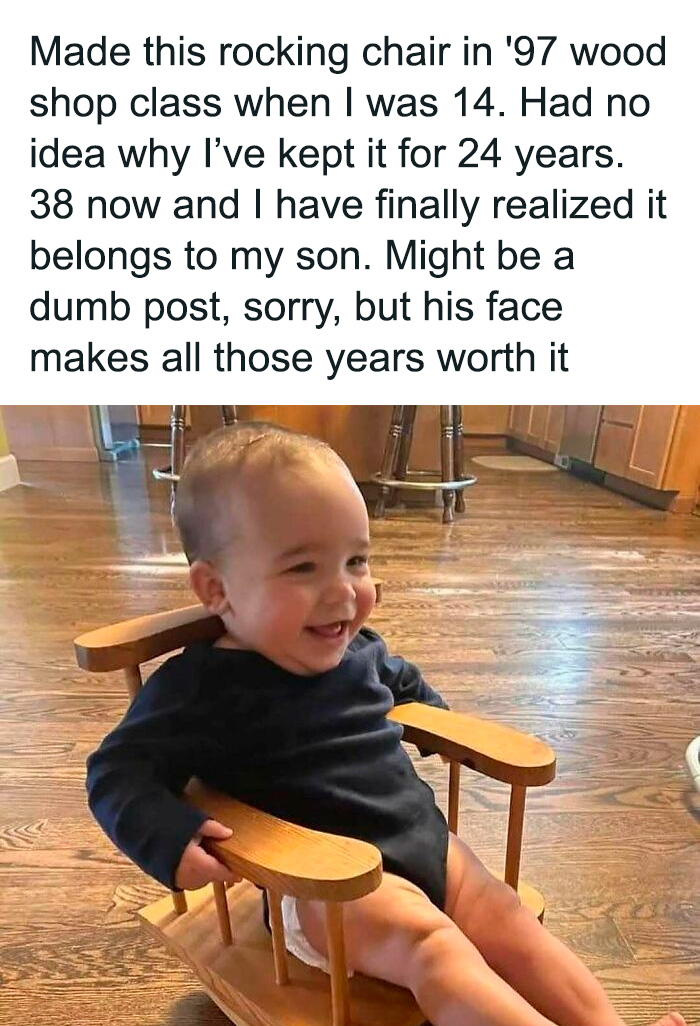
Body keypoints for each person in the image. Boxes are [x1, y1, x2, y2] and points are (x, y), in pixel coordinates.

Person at [87, 423, 684, 1026]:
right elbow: (115, 770)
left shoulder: (359, 651)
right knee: (436, 949)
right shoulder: (199, 688)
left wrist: (444, 728)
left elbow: (406, 686)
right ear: (217, 587)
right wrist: (169, 835)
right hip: (326, 886)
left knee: (504, 914)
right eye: (303, 568)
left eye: (356, 560)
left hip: (420, 840)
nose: (344, 591)